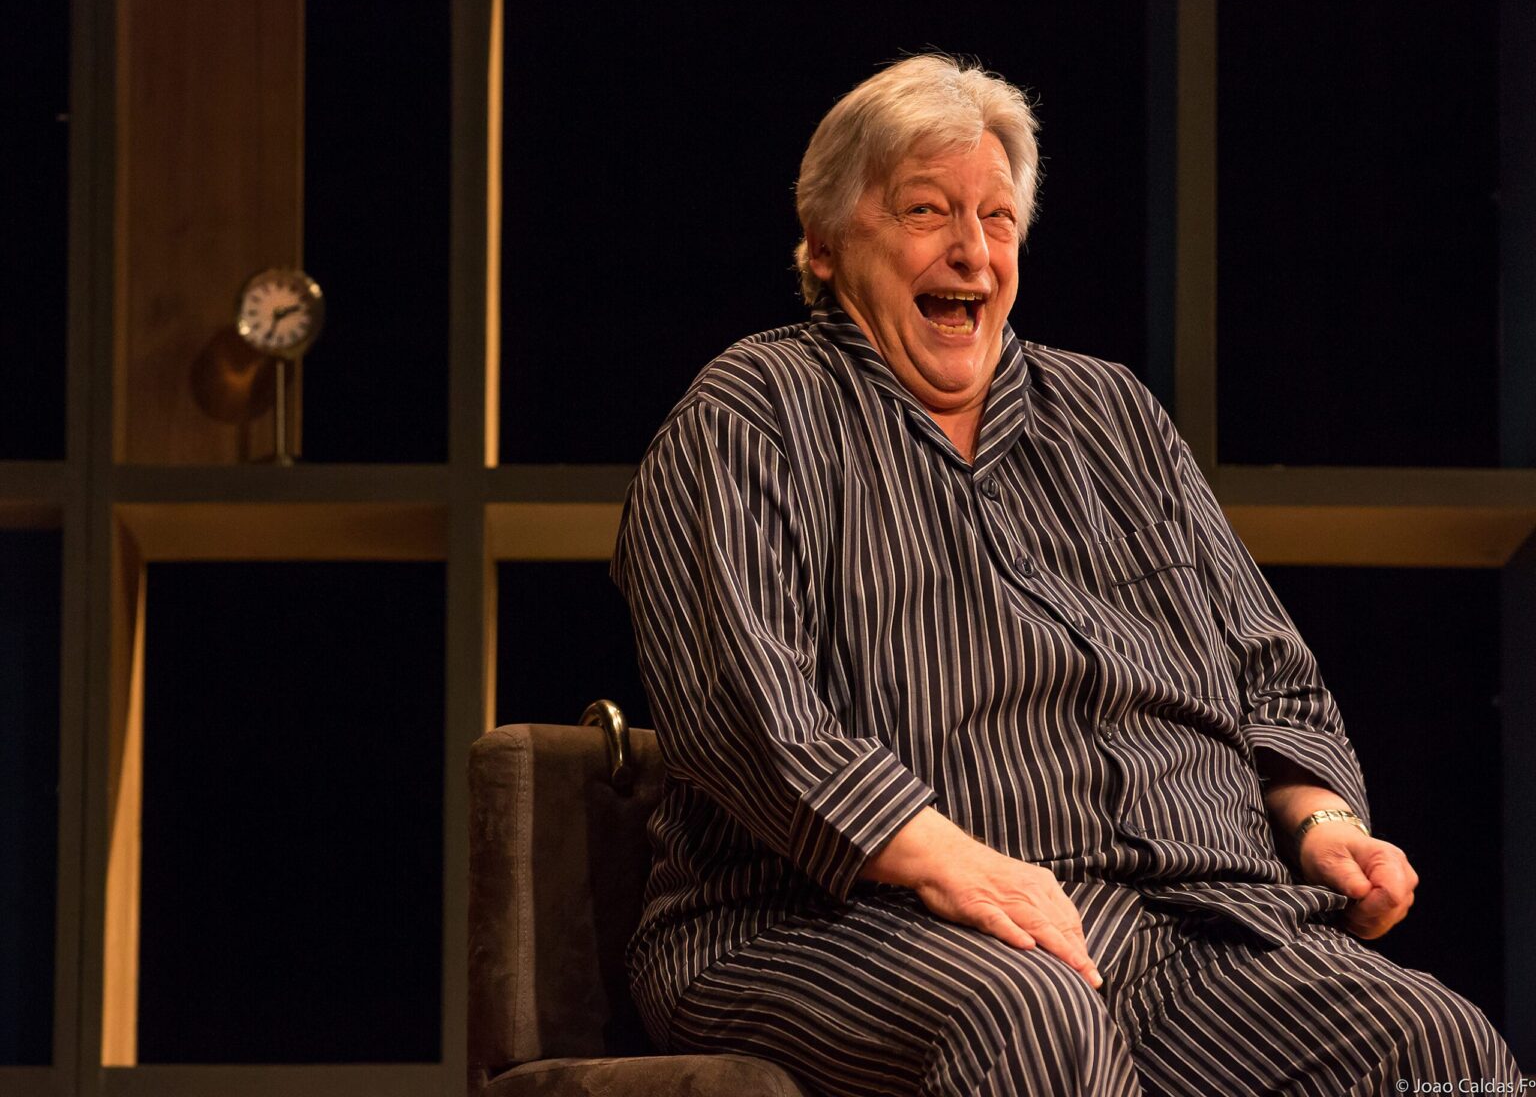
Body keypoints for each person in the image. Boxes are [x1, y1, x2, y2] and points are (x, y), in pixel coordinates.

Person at [610, 53, 1523, 1095]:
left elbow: (1270, 675)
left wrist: (1321, 822)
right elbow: (748, 716)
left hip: (1183, 925)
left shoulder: (1114, 416)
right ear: (823, 244)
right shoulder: (752, 415)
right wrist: (960, 862)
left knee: (1438, 1045)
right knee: (1032, 1016)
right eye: (926, 211)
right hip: (821, 920)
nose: (972, 251)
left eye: (997, 219)